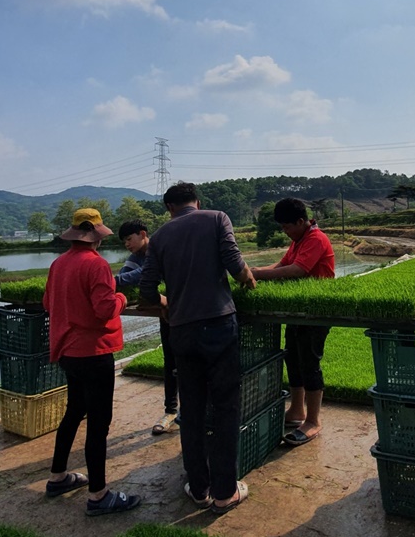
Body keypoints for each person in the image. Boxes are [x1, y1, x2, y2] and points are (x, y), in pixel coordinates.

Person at [139, 182, 256, 515]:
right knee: (225, 408)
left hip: (182, 331)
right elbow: (235, 264)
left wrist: (168, 302)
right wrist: (248, 279)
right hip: (219, 325)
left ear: (169, 208)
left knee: (191, 410)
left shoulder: (159, 237)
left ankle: (200, 489)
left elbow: (147, 289)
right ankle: (225, 493)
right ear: (197, 202)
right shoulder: (217, 218)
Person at [43, 208, 142, 516]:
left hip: (68, 352)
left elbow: (48, 303)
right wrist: (123, 298)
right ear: (97, 236)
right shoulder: (96, 265)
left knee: (74, 412)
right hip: (94, 352)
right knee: (99, 424)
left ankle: (58, 477)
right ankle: (99, 495)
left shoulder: (58, 264)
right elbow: (104, 309)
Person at [250, 198, 335, 447]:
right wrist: (252, 270)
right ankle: (297, 411)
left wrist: (257, 274)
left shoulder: (316, 239)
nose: (284, 231)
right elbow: (283, 264)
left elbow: (298, 270)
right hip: (298, 310)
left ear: (301, 221)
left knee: (310, 362)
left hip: (317, 311)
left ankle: (314, 420)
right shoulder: (299, 240)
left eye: (286, 226)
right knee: (293, 357)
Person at [115, 219, 177, 435]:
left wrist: (111, 280)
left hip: (183, 308)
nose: (127, 244)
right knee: (170, 360)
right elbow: (127, 276)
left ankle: (192, 410)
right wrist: (117, 281)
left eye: (129, 239)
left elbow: (143, 275)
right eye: (124, 241)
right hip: (166, 310)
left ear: (143, 234)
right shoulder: (136, 257)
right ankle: (171, 411)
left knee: (189, 361)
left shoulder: (159, 250)